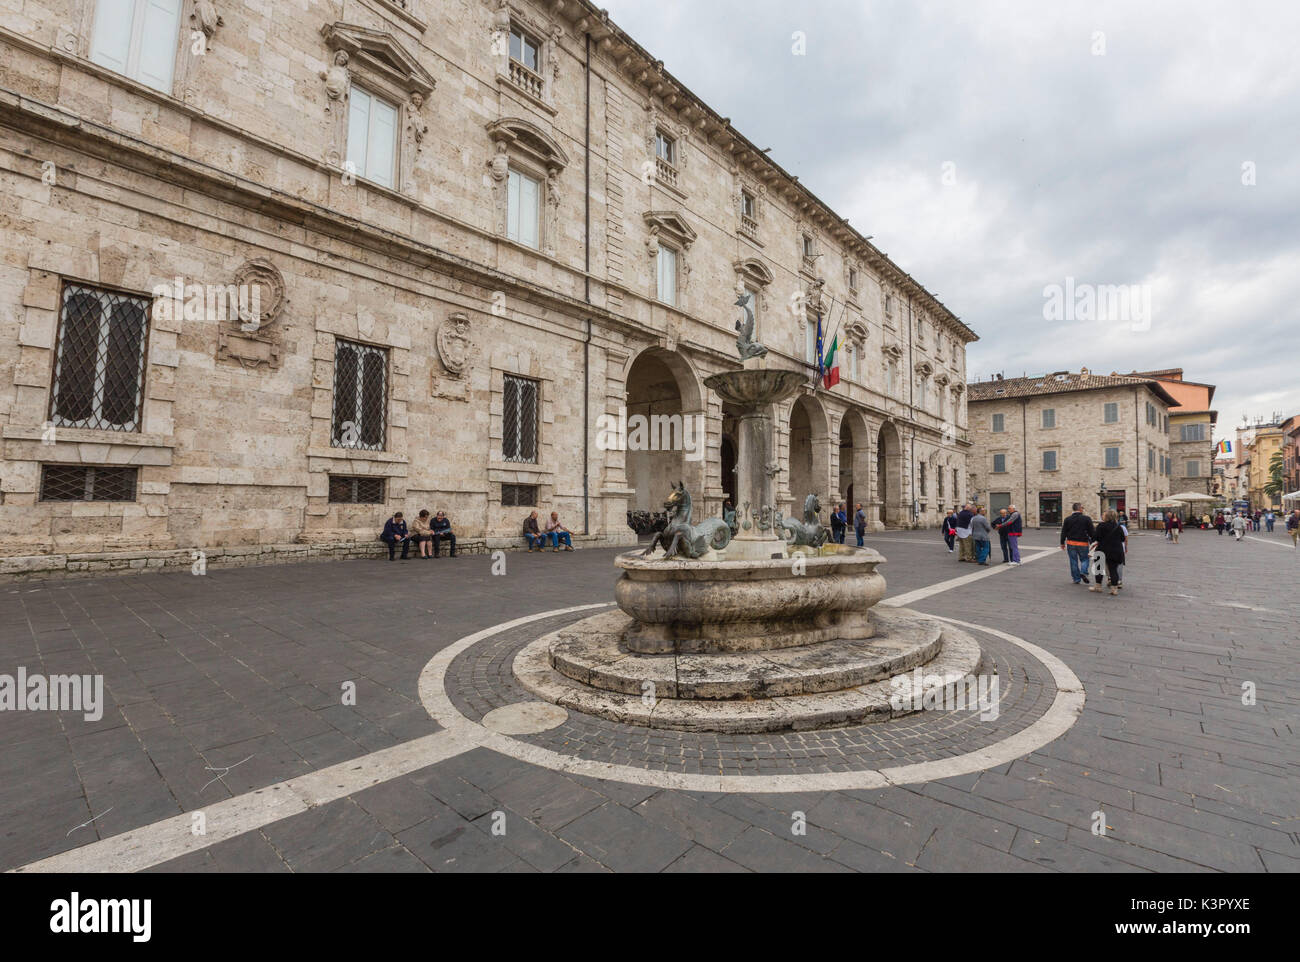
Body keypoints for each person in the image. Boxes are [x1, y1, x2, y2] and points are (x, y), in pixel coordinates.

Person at [1089, 510, 1128, 596]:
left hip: (1102, 549)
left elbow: (1096, 537)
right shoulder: (1119, 527)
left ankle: (1098, 586)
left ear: (1107, 517)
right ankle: (1114, 589)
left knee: (1099, 569)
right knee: (1113, 569)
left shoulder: (1101, 526)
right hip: (1115, 551)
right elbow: (1122, 539)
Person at [1060, 502, 1096, 585]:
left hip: (1070, 543)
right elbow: (1092, 532)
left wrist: (1062, 542)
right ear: (1080, 509)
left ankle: (1076, 579)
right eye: (1082, 507)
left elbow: (1064, 532)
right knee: (1085, 559)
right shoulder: (1086, 518)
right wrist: (1094, 541)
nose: (1083, 509)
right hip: (1082, 543)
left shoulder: (1067, 519)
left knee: (1073, 561)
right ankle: (1083, 572)